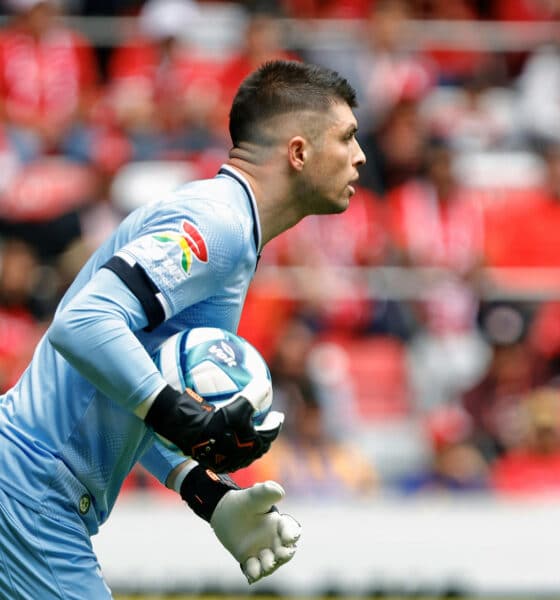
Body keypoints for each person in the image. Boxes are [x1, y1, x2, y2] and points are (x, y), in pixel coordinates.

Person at [0, 59, 366, 598]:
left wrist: (209, 497)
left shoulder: (232, 231)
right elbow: (83, 322)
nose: (360, 155)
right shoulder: (218, 225)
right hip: (30, 491)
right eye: (348, 137)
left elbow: (130, 382)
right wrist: (181, 414)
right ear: (298, 152)